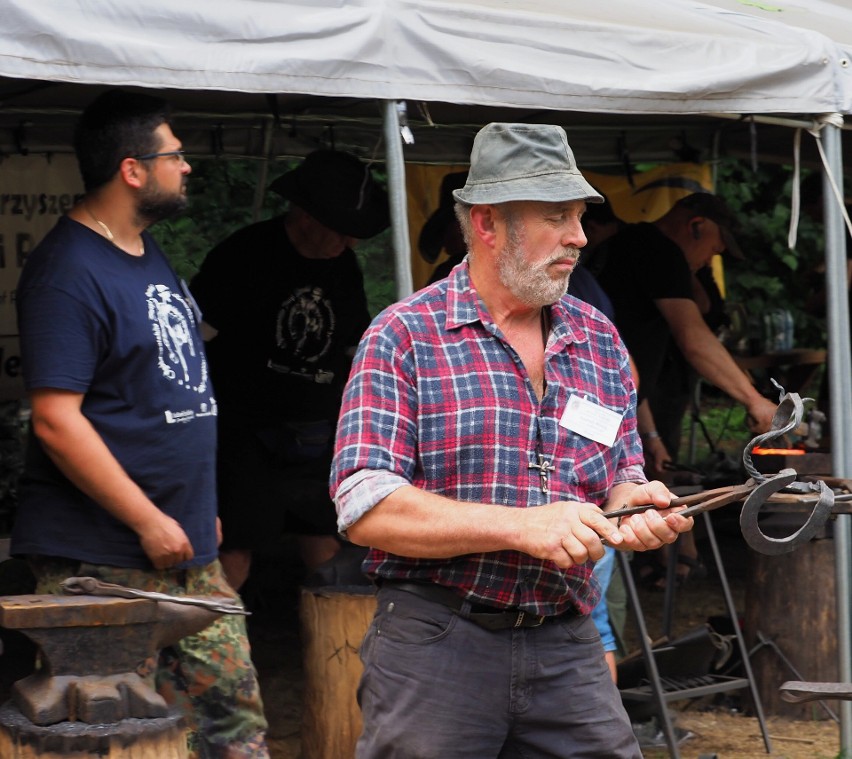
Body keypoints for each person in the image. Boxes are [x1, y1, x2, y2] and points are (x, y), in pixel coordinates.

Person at [331, 122, 695, 759]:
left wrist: (638, 507)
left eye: (579, 216)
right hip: (438, 639)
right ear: (487, 224)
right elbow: (366, 506)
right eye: (556, 216)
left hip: (567, 643)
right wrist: (521, 526)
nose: (579, 237)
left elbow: (619, 478)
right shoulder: (404, 336)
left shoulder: (598, 338)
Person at [10, 90, 269, 758]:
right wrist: (148, 519)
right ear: (132, 169)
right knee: (125, 741)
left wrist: (193, 507)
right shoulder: (66, 272)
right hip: (106, 559)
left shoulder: (143, 251)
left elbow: (162, 392)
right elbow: (56, 421)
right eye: (175, 155)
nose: (187, 167)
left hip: (186, 553)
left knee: (233, 728)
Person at [190, 150, 390, 591]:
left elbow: (354, 345)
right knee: (234, 545)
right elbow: (194, 341)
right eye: (343, 231)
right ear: (305, 216)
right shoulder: (243, 254)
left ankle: (331, 654)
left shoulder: (344, 266)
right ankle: (218, 650)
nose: (350, 243)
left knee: (322, 538)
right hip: (245, 431)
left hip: (317, 430)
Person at [596, 192, 777, 588]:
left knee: (638, 487)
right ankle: (658, 572)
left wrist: (652, 435)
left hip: (622, 402)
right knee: (627, 495)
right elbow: (693, 336)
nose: (711, 259)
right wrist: (754, 400)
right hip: (611, 403)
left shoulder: (638, 248)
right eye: (714, 248)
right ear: (697, 225)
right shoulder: (656, 249)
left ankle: (661, 568)